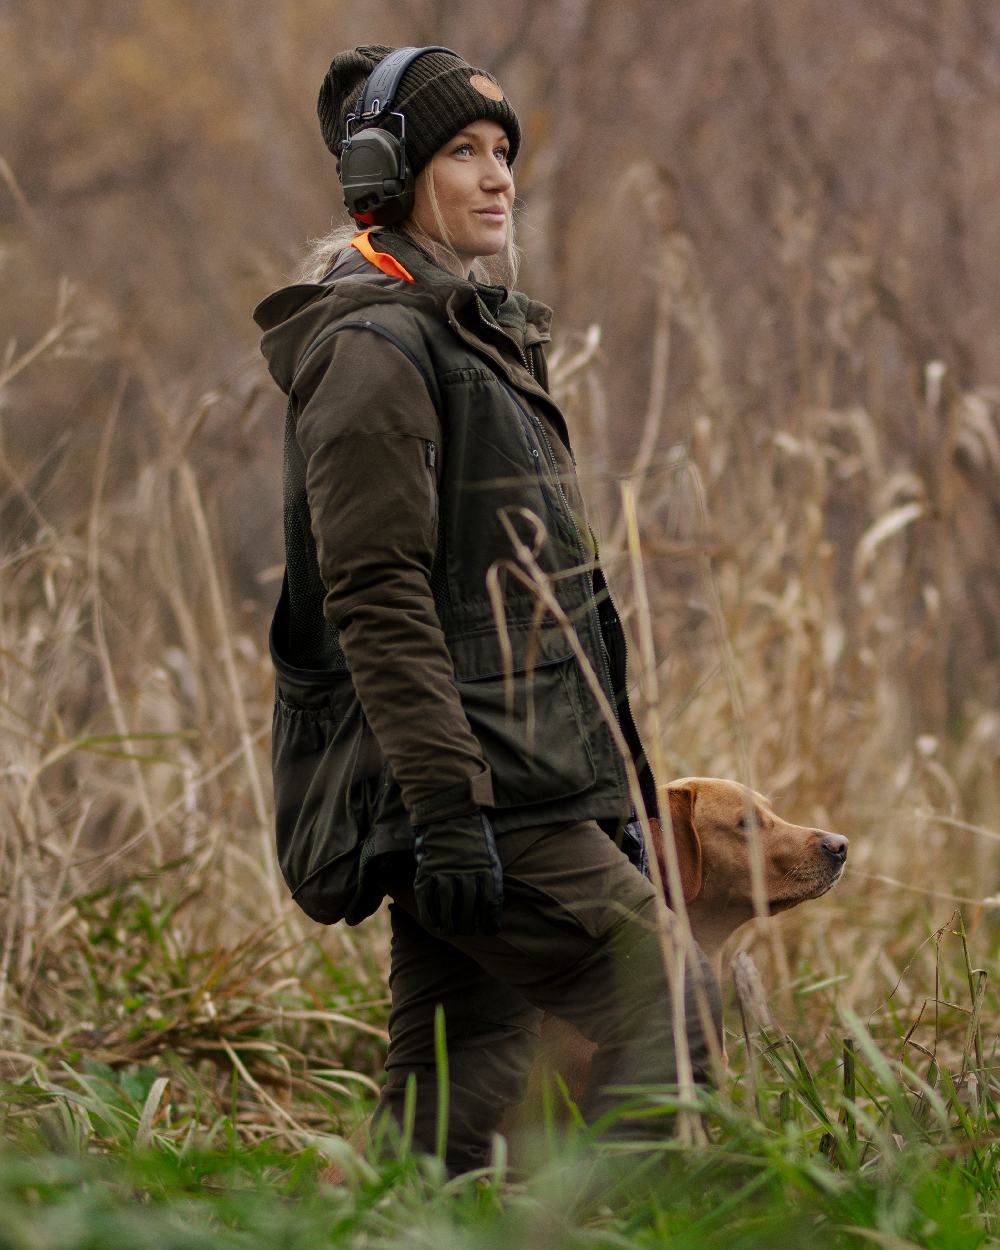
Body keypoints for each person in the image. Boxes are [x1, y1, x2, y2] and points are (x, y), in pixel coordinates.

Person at [252, 44, 720, 1177]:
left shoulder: (464, 333)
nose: (497, 174)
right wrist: (449, 811)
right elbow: (379, 594)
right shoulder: (374, 347)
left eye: (503, 151)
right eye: (462, 150)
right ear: (385, 173)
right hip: (474, 789)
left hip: (512, 777)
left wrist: (601, 784)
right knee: (672, 1002)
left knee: (446, 1114)